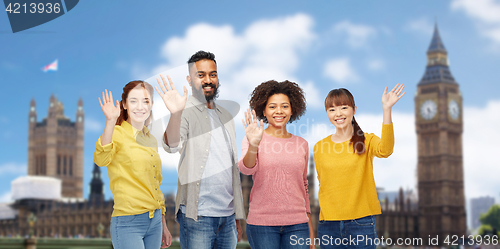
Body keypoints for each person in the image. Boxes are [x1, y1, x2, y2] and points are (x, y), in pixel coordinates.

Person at [155, 51, 245, 249]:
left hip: (228, 217)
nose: (208, 80)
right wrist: (175, 114)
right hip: (198, 216)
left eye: (212, 74)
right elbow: (171, 145)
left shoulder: (227, 116)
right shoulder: (185, 112)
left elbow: (231, 168)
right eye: (200, 75)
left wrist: (236, 217)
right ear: (189, 79)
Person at [313, 84, 405, 249]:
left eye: (343, 107)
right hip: (328, 225)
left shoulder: (366, 141)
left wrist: (386, 110)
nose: (338, 114)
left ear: (354, 110)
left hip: (361, 223)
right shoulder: (320, 147)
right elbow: (323, 182)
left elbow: (386, 150)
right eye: (332, 109)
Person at [93, 81, 172, 249]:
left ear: (151, 105)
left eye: (145, 101)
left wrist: (163, 223)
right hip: (128, 221)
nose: (140, 106)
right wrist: (110, 121)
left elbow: (156, 184)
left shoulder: (150, 138)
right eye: (134, 100)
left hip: (155, 221)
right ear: (124, 105)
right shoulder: (117, 133)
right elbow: (101, 158)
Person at [239, 80, 315, 249]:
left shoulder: (302, 144)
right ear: (263, 111)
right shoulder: (253, 137)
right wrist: (254, 144)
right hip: (262, 224)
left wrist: (310, 229)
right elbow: (246, 168)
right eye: (272, 106)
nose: (279, 111)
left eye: (284, 106)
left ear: (292, 109)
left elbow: (304, 186)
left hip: (298, 225)